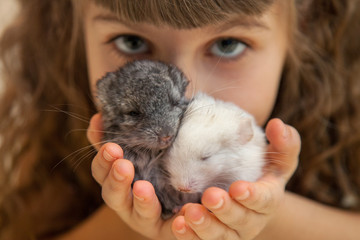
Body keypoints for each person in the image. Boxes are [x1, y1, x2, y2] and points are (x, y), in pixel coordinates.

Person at [0, 0, 359, 239]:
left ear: (303, 32)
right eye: (131, 41)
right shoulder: (48, 162)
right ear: (70, 34)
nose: (185, 98)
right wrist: (135, 216)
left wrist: (263, 211)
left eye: (227, 45)